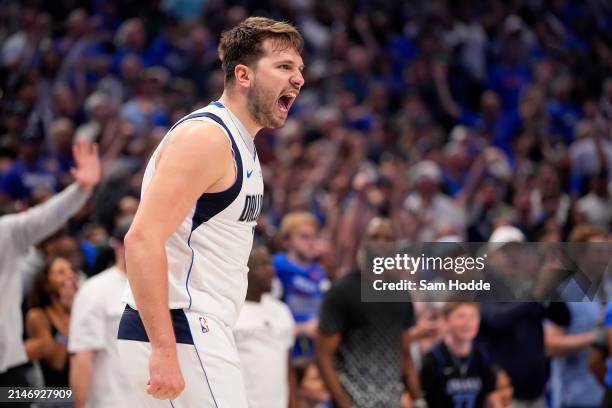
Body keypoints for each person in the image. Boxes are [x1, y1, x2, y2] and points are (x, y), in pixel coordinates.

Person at [118, 16, 304, 406]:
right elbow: (141, 239)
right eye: (284, 67)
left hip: (199, 329)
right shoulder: (207, 137)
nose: (298, 79)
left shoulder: (242, 144)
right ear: (244, 75)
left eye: (299, 69)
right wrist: (165, 350)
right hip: (182, 329)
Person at [0, 141, 100, 387]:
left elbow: (45, 217)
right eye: (59, 273)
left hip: (10, 376)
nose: (68, 280)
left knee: (56, 399)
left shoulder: (6, 232)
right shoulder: (38, 316)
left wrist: (81, 189)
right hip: (42, 383)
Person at [315, 217, 423, 408]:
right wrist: (343, 404)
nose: (381, 243)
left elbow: (404, 352)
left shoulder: (401, 293)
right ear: (362, 242)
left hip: (391, 401)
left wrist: (417, 398)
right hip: (353, 400)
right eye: (374, 237)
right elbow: (324, 356)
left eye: (388, 238)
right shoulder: (341, 291)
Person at [68, 217, 137, 408]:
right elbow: (82, 355)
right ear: (117, 247)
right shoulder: (95, 290)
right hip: (110, 401)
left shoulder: (165, 287)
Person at [233, 245, 298, 408]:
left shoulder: (282, 310)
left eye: (270, 264)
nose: (271, 271)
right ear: (244, 270)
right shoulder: (230, 311)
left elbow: (288, 367)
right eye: (262, 265)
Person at [420, 302, 502, 408]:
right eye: (461, 316)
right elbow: (417, 396)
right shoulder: (435, 358)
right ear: (446, 320)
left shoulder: (481, 356)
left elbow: (491, 394)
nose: (468, 323)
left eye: (473, 316)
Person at [273, 211, 328, 363]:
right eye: (304, 237)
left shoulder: (319, 272)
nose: (311, 242)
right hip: (284, 351)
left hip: (312, 354)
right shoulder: (276, 268)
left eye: (315, 237)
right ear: (286, 241)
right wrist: (302, 329)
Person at [24, 256, 78, 387]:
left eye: (71, 270)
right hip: (54, 394)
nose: (70, 275)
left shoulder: (82, 308)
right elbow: (57, 364)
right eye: (61, 272)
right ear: (46, 284)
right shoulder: (37, 316)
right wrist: (67, 315)